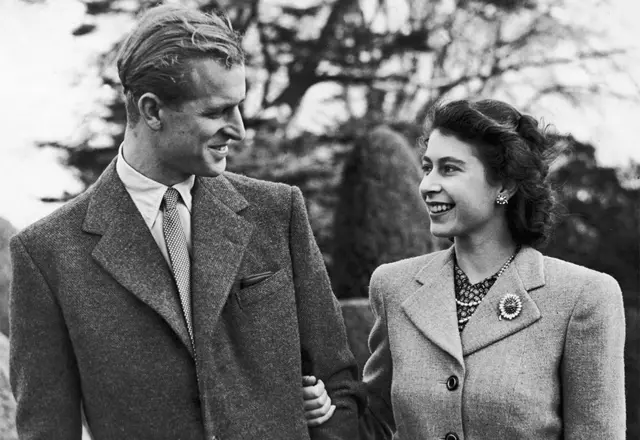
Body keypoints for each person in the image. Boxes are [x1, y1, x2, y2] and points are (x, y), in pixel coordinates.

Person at [9, 4, 361, 439]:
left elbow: (339, 386)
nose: (240, 129)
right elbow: (46, 430)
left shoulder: (278, 211)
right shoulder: (47, 254)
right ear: (152, 111)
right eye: (217, 112)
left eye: (239, 108)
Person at [303, 99, 626, 439]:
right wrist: (325, 412)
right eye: (427, 167)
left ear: (504, 185)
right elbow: (377, 421)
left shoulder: (583, 297)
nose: (427, 185)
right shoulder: (393, 286)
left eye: (450, 168)